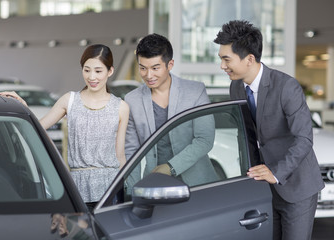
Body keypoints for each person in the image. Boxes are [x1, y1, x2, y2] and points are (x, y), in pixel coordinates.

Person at [214, 20, 324, 240]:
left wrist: (276, 173)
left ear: (250, 59)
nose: (222, 66)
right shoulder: (236, 87)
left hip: (298, 186)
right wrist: (251, 174)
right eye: (221, 59)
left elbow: (304, 138)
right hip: (265, 188)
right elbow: (245, 135)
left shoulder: (286, 86)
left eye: (227, 59)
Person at [0, 44, 130, 211]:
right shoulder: (70, 100)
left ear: (110, 71)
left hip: (111, 189)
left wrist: (128, 191)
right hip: (77, 187)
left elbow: (120, 156)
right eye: (87, 70)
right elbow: (37, 128)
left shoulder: (121, 107)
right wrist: (23, 107)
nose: (91, 77)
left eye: (98, 71)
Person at [125, 33, 217, 187]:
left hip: (198, 184)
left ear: (170, 65)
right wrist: (132, 192)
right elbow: (130, 151)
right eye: (143, 68)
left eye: (155, 68)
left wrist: (170, 168)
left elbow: (204, 140)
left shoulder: (195, 91)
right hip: (155, 184)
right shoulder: (132, 100)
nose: (148, 75)